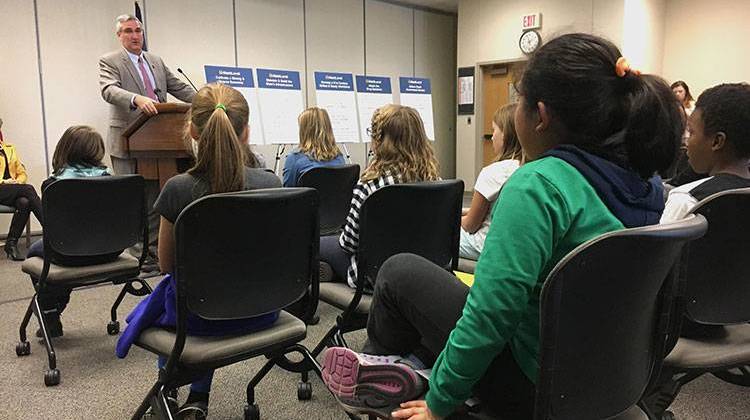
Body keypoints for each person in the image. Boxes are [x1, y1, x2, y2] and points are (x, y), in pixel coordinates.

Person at [320, 33, 683, 420]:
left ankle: (401, 380)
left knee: (398, 270)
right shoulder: (647, 185)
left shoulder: (540, 185)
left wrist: (439, 404)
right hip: (611, 377)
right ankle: (416, 368)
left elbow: (491, 317)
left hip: (533, 386)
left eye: (518, 99)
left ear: (540, 116)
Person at [116, 83, 281, 419]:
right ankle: (198, 398)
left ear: (191, 130)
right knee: (199, 293)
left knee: (174, 297)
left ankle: (171, 391)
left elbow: (165, 263)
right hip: (263, 312)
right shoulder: (272, 185)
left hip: (198, 317)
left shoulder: (179, 189)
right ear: (246, 132)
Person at [99, 14, 195, 270]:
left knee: (155, 199)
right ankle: (134, 254)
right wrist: (137, 99)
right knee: (133, 199)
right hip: (129, 139)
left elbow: (179, 87)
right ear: (119, 35)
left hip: (159, 144)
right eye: (128, 31)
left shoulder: (155, 61)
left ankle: (153, 250)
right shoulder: (110, 61)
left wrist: (205, 99)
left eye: (138, 30)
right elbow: (108, 89)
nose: (135, 35)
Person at [318, 104, 440, 289]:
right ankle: (332, 271)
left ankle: (329, 274)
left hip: (375, 275)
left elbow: (349, 243)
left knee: (316, 244)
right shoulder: (435, 181)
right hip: (424, 270)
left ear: (380, 141)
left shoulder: (370, 185)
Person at [25, 125, 113, 338]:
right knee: (60, 251)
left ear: (64, 149)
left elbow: (54, 232)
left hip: (69, 254)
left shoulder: (55, 184)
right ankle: (52, 308)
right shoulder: (112, 179)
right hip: (111, 251)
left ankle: (50, 311)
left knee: (34, 253)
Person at [661, 83, 750, 223]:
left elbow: (663, 246)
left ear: (716, 142)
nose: (687, 142)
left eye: (691, 132)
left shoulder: (687, 200)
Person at [459, 103, 522, 260]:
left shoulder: (493, 172)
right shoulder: (526, 168)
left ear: (505, 135)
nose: (492, 136)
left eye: (494, 130)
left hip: (483, 245)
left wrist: (448, 218)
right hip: (513, 245)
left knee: (437, 232)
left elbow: (470, 225)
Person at [0, 117, 43, 261]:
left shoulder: (9, 148)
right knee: (29, 189)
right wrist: (5, 181)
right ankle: (51, 228)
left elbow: (21, 172)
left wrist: (16, 182)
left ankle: (11, 243)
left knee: (24, 202)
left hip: (9, 189)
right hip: (2, 186)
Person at [282, 107, 346, 187]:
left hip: (306, 199)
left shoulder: (294, 159)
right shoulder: (340, 158)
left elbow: (288, 194)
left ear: (304, 131)